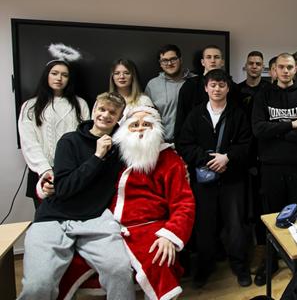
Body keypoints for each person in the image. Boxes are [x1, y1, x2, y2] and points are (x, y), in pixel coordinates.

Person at [60, 106, 195, 300]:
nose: (140, 129)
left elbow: (184, 203)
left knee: (159, 260)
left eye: (146, 124)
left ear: (156, 129)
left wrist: (169, 236)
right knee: (73, 263)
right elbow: (83, 179)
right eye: (134, 125)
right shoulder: (115, 155)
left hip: (150, 227)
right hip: (108, 226)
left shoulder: (169, 160)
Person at [18, 92, 135, 300]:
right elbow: (63, 188)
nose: (105, 115)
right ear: (94, 110)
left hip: (96, 218)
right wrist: (97, 156)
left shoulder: (122, 147)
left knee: (119, 271)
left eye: (112, 112)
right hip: (53, 217)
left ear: (119, 117)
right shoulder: (69, 141)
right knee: (38, 284)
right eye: (102, 109)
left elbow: (148, 146)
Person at [178, 69, 252, 288]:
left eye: (221, 85)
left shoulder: (238, 114)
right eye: (213, 85)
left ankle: (240, 266)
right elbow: (184, 144)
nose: (217, 89)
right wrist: (208, 159)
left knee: (235, 225)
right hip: (204, 180)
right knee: (204, 225)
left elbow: (247, 144)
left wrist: (227, 158)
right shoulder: (195, 114)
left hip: (233, 179)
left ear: (228, 88)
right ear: (206, 88)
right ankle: (205, 267)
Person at [252, 53, 297, 284]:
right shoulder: (263, 95)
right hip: (271, 167)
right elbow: (258, 129)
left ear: (295, 69)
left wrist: (277, 132)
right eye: (281, 67)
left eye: (290, 67)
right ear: (274, 70)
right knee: (273, 216)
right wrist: (291, 125)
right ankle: (271, 261)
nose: (286, 71)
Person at [18, 60, 89, 208]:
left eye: (64, 75)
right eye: (54, 73)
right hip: (42, 172)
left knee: (73, 215)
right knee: (44, 217)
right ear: (47, 75)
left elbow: (84, 138)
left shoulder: (80, 104)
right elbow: (28, 142)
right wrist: (45, 170)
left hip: (72, 172)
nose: (59, 78)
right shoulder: (30, 106)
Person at [238, 51, 271, 273]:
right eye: (251, 63)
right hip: (240, 153)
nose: (254, 66)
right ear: (246, 66)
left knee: (261, 205)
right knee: (241, 206)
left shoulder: (269, 90)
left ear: (263, 67)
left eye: (258, 64)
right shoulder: (236, 90)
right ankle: (242, 250)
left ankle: (262, 250)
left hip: (264, 154)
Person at [175, 45, 239, 141]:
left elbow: (237, 118)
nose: (212, 60)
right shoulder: (190, 86)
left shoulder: (233, 87)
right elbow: (181, 117)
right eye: (208, 57)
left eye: (216, 57)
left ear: (222, 62)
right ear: (202, 62)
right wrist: (180, 144)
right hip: (195, 142)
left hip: (225, 142)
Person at [145, 44, 194, 143]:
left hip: (191, 142)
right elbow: (147, 115)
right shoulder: (152, 85)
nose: (169, 63)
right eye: (164, 60)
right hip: (162, 142)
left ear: (180, 60)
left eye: (173, 59)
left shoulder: (195, 81)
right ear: (160, 63)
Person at [107, 59, 153, 124]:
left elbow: (152, 127)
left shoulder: (144, 100)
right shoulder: (103, 100)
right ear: (112, 77)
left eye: (126, 73)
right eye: (117, 73)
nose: (122, 76)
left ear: (133, 76)